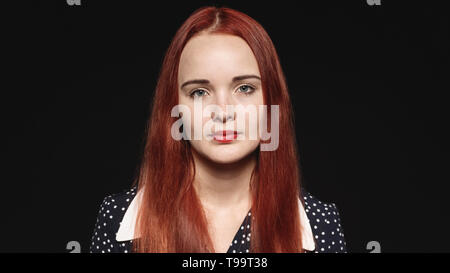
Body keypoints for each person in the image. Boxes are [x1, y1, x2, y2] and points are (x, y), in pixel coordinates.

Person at [90, 6, 347, 253]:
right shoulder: (118, 217)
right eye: (199, 92)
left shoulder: (319, 222)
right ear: (175, 108)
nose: (223, 111)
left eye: (245, 88)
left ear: (271, 102)